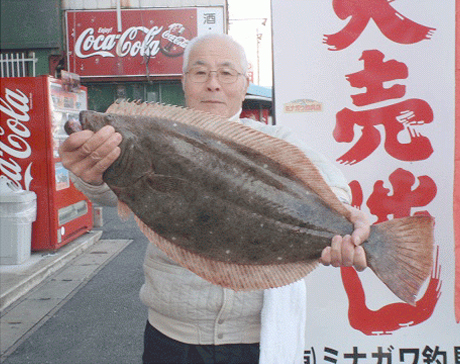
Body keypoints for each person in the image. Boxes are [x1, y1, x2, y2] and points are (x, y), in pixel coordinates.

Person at [59, 33, 370, 364]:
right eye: (200, 72)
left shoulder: (274, 140)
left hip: (255, 340)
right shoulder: (153, 132)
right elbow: (110, 191)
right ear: (184, 81)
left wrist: (344, 216)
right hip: (173, 337)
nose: (213, 84)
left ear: (246, 82)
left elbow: (327, 178)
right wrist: (90, 172)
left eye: (226, 72)